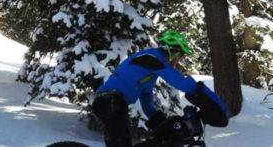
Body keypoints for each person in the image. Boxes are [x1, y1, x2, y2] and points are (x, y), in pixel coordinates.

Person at [92, 30, 229, 147]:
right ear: (173, 51)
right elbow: (180, 82)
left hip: (112, 103)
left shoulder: (150, 71)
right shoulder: (153, 58)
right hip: (109, 101)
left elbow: (147, 102)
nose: (178, 61)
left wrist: (163, 124)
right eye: (180, 57)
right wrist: (207, 99)